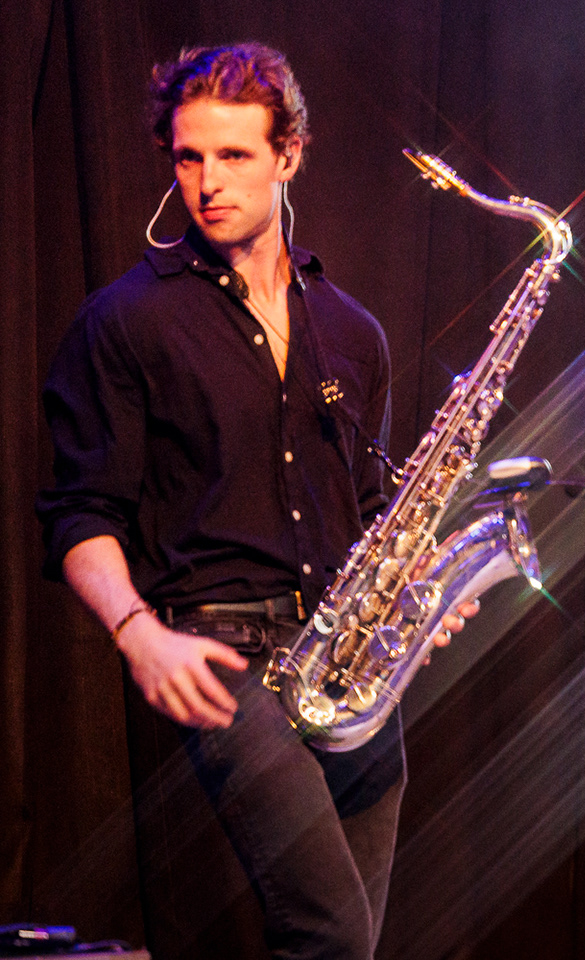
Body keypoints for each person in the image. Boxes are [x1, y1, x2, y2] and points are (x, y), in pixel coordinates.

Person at [37, 43, 464, 960]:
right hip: (225, 656)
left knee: (349, 948)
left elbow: (367, 508)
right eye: (189, 157)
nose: (207, 182)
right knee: (330, 930)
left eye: (233, 155)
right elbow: (79, 512)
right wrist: (137, 632)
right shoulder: (126, 320)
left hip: (350, 663)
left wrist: (421, 597)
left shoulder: (351, 329)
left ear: (288, 155)